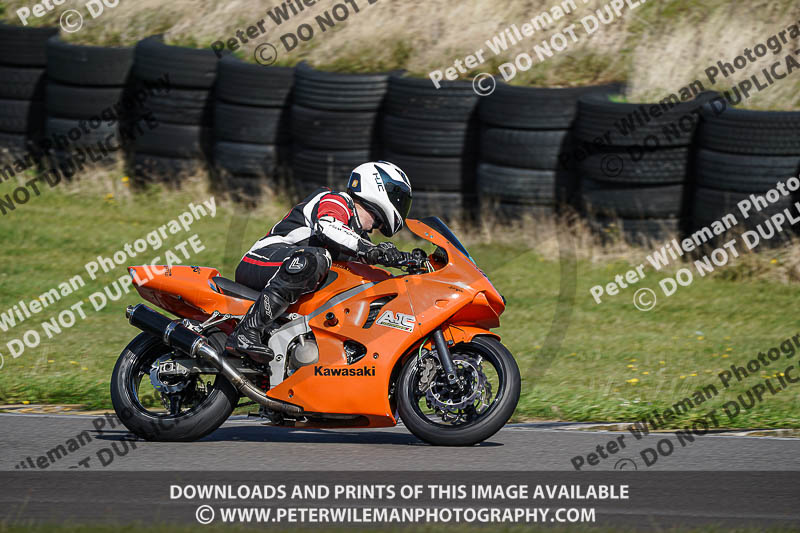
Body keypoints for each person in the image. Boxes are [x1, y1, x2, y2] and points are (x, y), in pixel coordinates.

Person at [225, 161, 413, 363]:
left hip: (286, 276)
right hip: (260, 261)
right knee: (315, 259)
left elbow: (368, 266)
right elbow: (329, 227)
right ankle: (246, 331)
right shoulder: (336, 200)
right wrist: (371, 249)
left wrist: (406, 265)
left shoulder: (358, 239)